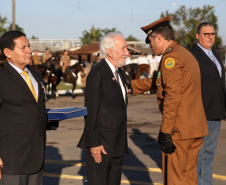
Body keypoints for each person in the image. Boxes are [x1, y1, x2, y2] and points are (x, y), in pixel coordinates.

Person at [130, 16, 209, 185]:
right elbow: (159, 82)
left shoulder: (170, 59)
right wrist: (131, 85)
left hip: (178, 130)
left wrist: (166, 131)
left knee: (175, 180)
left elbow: (172, 96)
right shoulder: (182, 53)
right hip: (194, 128)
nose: (149, 46)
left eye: (149, 41)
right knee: (189, 177)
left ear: (159, 37)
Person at [77, 32, 129, 185]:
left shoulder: (119, 71)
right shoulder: (98, 72)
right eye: (123, 48)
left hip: (117, 143)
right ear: (110, 52)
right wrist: (94, 143)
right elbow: (91, 110)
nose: (127, 52)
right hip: (102, 145)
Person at [0, 31, 48, 185]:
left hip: (37, 157)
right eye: (23, 47)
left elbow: (35, 109)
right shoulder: (1, 78)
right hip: (12, 160)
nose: (29, 50)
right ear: (8, 52)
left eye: (29, 46)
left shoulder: (36, 76)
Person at [190, 22, 226, 185]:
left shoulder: (216, 55)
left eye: (212, 34)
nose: (210, 37)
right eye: (206, 34)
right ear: (198, 36)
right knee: (199, 155)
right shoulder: (192, 56)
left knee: (209, 155)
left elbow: (220, 84)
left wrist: (223, 109)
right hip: (200, 114)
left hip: (216, 113)